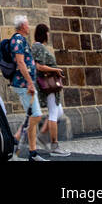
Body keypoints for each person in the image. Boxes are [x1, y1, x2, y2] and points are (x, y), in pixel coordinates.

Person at [8, 14, 46, 162]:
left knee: (33, 116)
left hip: (25, 84)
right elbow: (20, 62)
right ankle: (16, 138)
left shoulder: (21, 40)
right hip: (24, 84)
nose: (29, 27)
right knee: (36, 116)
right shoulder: (18, 39)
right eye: (28, 24)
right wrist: (30, 82)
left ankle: (33, 152)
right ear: (23, 26)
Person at [33, 23, 69, 156]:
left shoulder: (38, 47)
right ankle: (55, 146)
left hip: (50, 86)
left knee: (58, 112)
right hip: (49, 86)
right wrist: (56, 70)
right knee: (54, 113)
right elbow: (39, 66)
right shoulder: (39, 47)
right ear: (43, 33)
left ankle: (42, 136)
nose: (48, 35)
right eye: (47, 32)